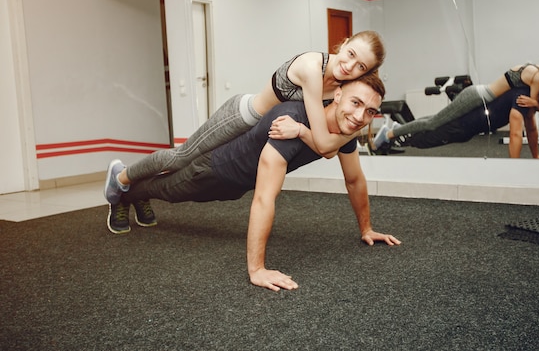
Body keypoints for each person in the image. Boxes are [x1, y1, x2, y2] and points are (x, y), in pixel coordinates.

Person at [108, 74, 401, 291]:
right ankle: (124, 195)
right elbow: (264, 197)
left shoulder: (342, 132)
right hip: (214, 169)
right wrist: (257, 269)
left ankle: (136, 193)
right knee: (167, 190)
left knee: (168, 187)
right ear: (337, 95)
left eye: (370, 111)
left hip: (235, 183)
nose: (360, 116)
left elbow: (354, 180)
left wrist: (367, 228)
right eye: (356, 102)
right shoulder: (292, 119)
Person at [104, 30, 386, 205]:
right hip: (241, 116)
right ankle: (121, 176)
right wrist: (339, 135)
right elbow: (325, 144)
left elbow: (335, 133)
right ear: (345, 43)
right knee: (182, 158)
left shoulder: (340, 87)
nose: (350, 65)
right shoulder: (313, 68)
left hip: (255, 134)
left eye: (360, 65)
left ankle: (140, 192)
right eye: (350, 53)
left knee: (192, 173)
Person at [372, 53, 539, 149]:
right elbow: (532, 102)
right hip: (477, 96)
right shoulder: (536, 76)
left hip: (479, 94)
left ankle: (395, 131)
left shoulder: (530, 66)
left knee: (435, 119)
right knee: (433, 123)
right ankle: (390, 133)